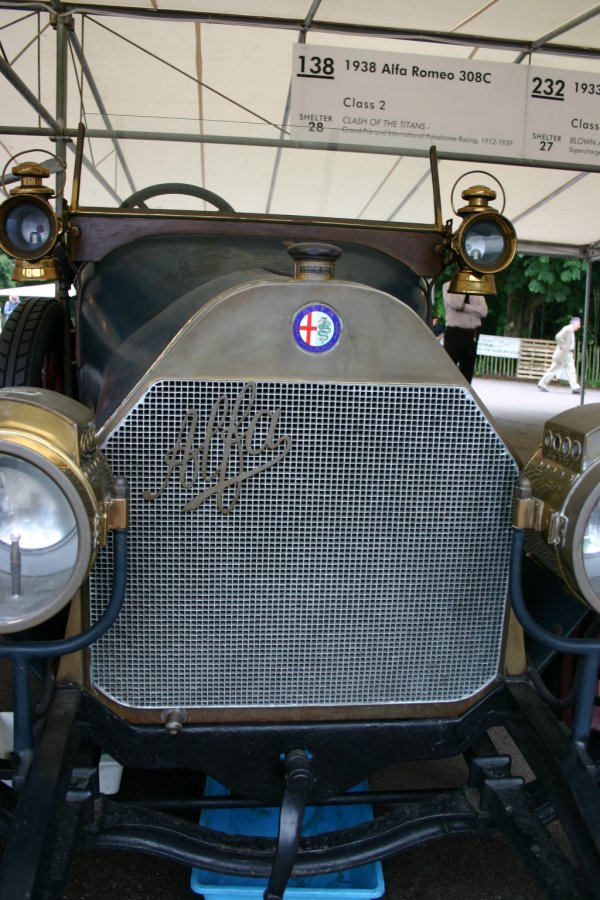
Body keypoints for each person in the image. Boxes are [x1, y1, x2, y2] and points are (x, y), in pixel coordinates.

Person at [441, 282, 488, 383]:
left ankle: (463, 396)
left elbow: (484, 311)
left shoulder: (475, 287)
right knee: (449, 367)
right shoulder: (448, 286)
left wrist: (465, 307)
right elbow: (457, 304)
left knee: (467, 369)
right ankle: (445, 396)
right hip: (454, 331)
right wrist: (463, 286)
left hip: (471, 333)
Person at [538, 317, 581, 393]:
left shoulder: (570, 330)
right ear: (574, 323)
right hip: (563, 354)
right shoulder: (568, 329)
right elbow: (558, 336)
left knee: (571, 370)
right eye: (578, 324)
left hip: (567, 354)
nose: (579, 326)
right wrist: (562, 345)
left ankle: (575, 388)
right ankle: (542, 384)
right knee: (554, 369)